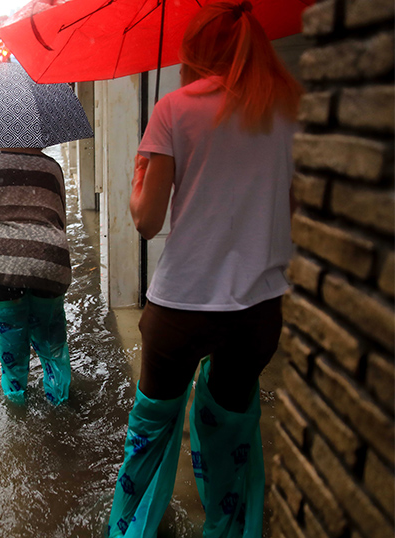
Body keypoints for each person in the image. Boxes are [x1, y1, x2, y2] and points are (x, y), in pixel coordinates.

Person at [106, 2, 303, 536]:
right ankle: (228, 526)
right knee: (227, 431)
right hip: (259, 310)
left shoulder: (174, 109)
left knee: (150, 430)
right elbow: (292, 209)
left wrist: (137, 180)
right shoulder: (285, 109)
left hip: (181, 307)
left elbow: (146, 222)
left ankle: (129, 529)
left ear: (195, 53)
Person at [0, 147, 72, 405]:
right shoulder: (53, 167)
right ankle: (59, 402)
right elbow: (61, 217)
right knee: (51, 340)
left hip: (5, 264)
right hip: (50, 259)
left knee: (12, 334)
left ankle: (16, 401)